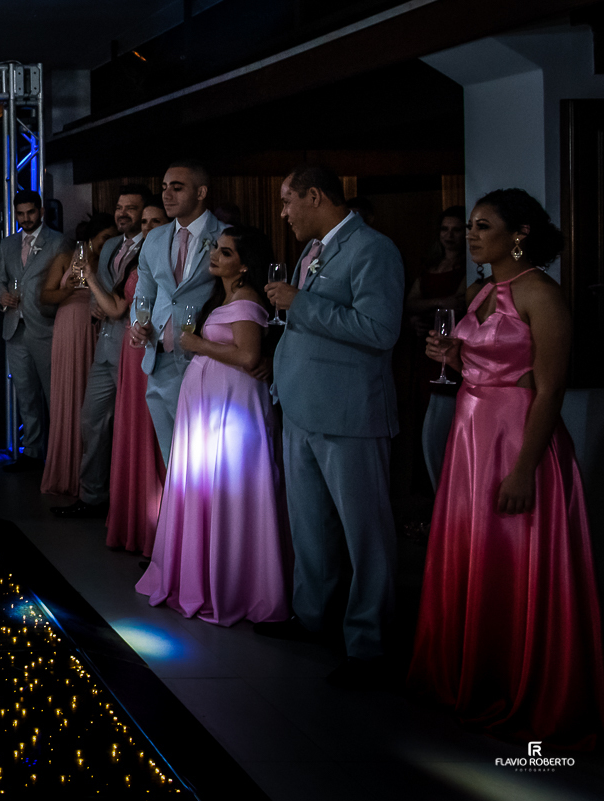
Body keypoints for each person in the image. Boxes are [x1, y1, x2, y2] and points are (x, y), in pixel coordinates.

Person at [408, 189, 604, 747]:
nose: (470, 235)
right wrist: (454, 356)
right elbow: (487, 356)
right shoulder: (483, 290)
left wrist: (524, 469)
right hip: (472, 437)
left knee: (516, 560)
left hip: (517, 440)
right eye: (469, 225)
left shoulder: (541, 292)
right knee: (474, 554)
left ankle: (524, 686)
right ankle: (471, 673)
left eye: (483, 226)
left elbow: (549, 388)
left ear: (518, 234)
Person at [255, 163, 404, 690]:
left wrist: (303, 305)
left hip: (349, 413)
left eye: (288, 201)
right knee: (310, 525)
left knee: (367, 535)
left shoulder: (372, 250)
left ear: (315, 196)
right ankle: (313, 618)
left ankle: (370, 644)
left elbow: (380, 330)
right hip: (301, 406)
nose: (283, 213)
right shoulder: (313, 248)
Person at [137, 225, 290, 625]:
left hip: (231, 406)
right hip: (209, 405)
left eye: (225, 252)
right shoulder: (225, 297)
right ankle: (198, 571)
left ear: (242, 267)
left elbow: (247, 356)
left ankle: (228, 579)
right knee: (206, 486)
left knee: (228, 487)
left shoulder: (246, 300)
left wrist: (197, 345)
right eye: (217, 249)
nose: (215, 257)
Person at [53, 186, 151, 517]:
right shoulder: (111, 244)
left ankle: (131, 505)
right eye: (120, 207)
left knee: (131, 429)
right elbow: (105, 292)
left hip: (132, 346)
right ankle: (93, 496)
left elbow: (120, 301)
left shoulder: (149, 248)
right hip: (104, 345)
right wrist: (96, 304)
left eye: (131, 208)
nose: (123, 213)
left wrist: (98, 292)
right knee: (91, 420)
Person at [130, 160, 228, 465]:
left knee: (204, 458)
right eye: (164, 188)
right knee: (172, 458)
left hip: (202, 358)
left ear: (201, 192)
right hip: (157, 357)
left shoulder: (224, 236)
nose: (166, 195)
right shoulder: (155, 238)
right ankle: (179, 513)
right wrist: (138, 323)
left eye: (177, 187)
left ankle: (208, 514)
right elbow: (143, 293)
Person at [101, 209, 171, 555]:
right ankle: (132, 520)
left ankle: (157, 529)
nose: (147, 229)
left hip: (154, 347)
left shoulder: (169, 262)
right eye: (143, 223)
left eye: (154, 222)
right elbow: (123, 307)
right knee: (129, 430)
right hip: (133, 346)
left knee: (152, 435)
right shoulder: (136, 264)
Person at [39, 212, 118, 496]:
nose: (109, 242)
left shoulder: (111, 262)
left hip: (99, 330)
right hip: (70, 328)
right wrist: (68, 289)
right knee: (68, 395)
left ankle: (96, 476)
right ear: (91, 238)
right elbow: (45, 297)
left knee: (96, 404)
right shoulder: (67, 257)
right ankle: (66, 471)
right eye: (105, 238)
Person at [0, 190, 65, 472]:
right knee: (26, 394)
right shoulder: (8, 244)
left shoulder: (58, 241)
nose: (25, 219)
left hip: (46, 326)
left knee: (53, 394)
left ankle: (60, 457)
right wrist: (1, 296)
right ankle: (33, 453)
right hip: (15, 326)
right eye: (20, 214)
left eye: (30, 213)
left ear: (41, 211)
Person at [404, 207, 466, 491]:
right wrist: (427, 310)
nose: (450, 236)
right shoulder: (430, 264)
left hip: (451, 348)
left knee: (443, 420)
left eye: (456, 229)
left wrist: (427, 306)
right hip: (425, 344)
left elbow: (458, 304)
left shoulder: (468, 267)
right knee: (422, 408)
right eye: (445, 229)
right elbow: (411, 303)